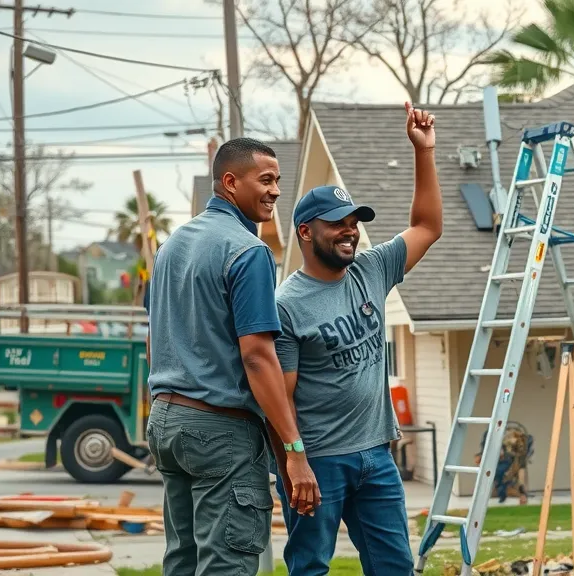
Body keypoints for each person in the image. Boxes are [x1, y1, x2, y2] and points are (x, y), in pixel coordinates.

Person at [272, 102, 443, 575]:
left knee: (395, 568)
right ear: (306, 232)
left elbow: (428, 226)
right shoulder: (286, 304)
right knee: (310, 568)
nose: (350, 229)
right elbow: (277, 399)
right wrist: (294, 463)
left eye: (354, 220)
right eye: (337, 222)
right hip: (320, 460)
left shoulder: (370, 270)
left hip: (377, 453)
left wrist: (423, 151)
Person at [144, 138, 306, 576]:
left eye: (278, 181)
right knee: (225, 566)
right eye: (265, 180)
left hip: (167, 424)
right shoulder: (248, 251)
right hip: (219, 431)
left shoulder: (172, 246)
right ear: (230, 182)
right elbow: (257, 356)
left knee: (183, 561)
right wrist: (293, 450)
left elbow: (153, 338)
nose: (275, 191)